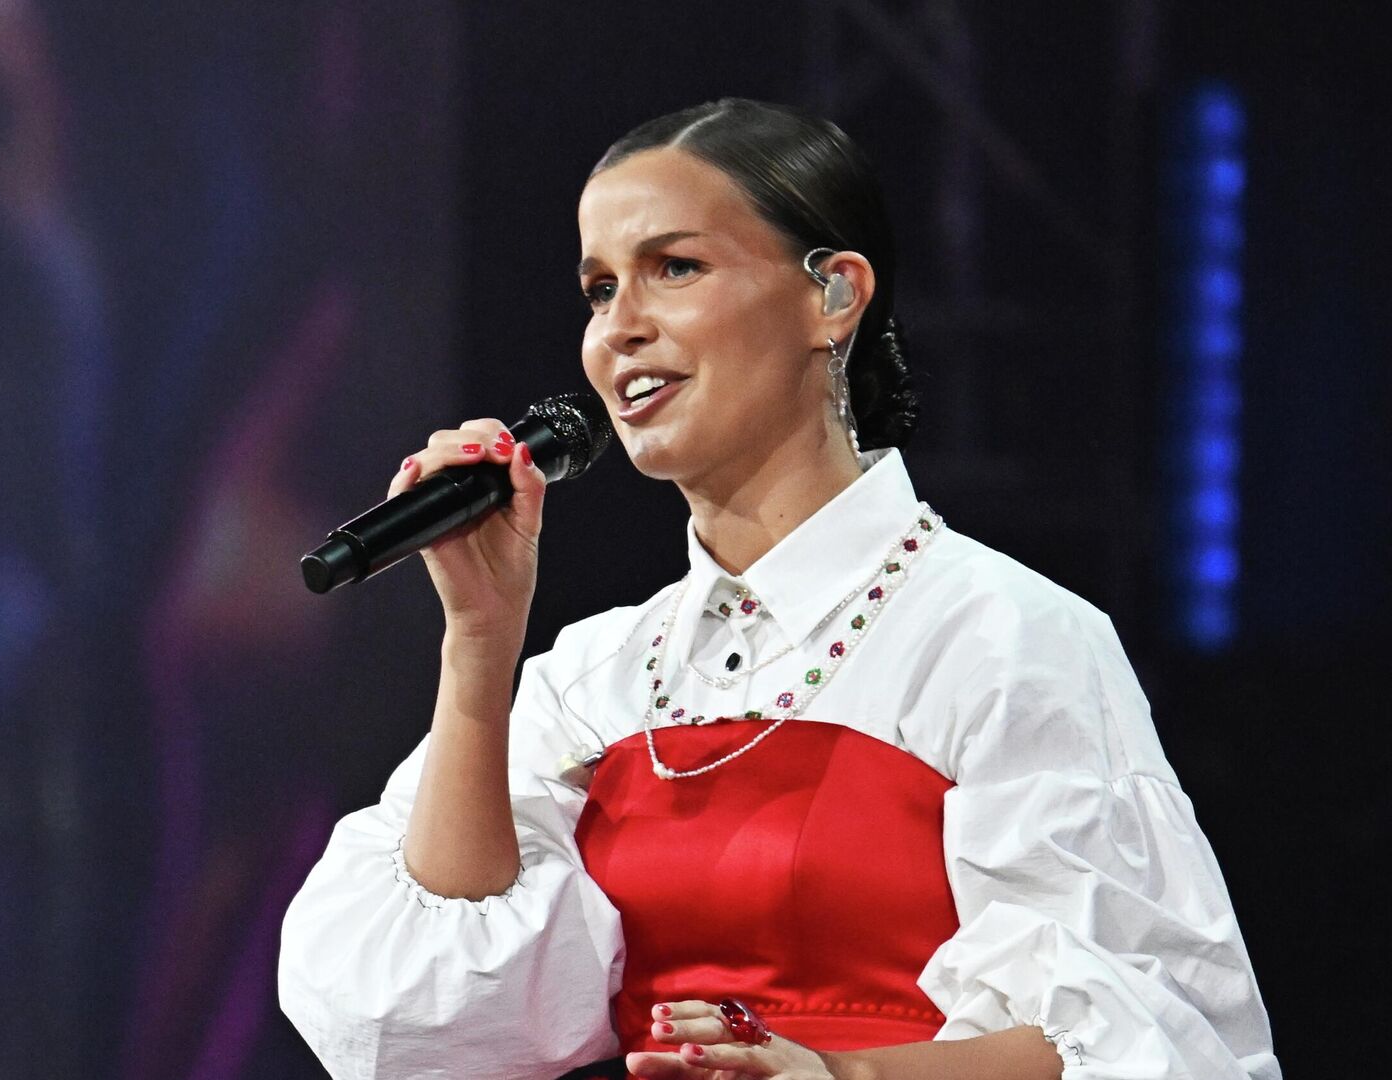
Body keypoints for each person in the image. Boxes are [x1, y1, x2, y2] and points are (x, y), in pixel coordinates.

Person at [277, 98, 1276, 1080]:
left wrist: (842, 1076)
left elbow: (1147, 1035)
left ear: (833, 295)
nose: (619, 328)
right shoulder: (592, 678)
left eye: (675, 268)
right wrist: (480, 644)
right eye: (599, 289)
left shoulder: (1000, 635)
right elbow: (425, 1033)